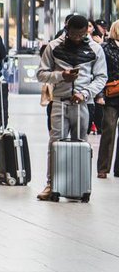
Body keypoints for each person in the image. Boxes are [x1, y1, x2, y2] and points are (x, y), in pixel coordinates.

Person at [37, 14, 108, 200]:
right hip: (59, 101)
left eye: (81, 35)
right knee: (55, 144)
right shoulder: (53, 47)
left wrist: (85, 93)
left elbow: (101, 77)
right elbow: (41, 74)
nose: (77, 38)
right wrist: (61, 76)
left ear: (87, 32)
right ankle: (51, 185)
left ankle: (79, 185)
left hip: (83, 103)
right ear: (67, 30)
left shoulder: (95, 49)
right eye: (74, 34)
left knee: (81, 144)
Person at [95, 21, 119, 179]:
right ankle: (103, 168)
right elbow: (100, 72)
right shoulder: (105, 48)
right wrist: (100, 94)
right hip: (111, 95)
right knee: (108, 130)